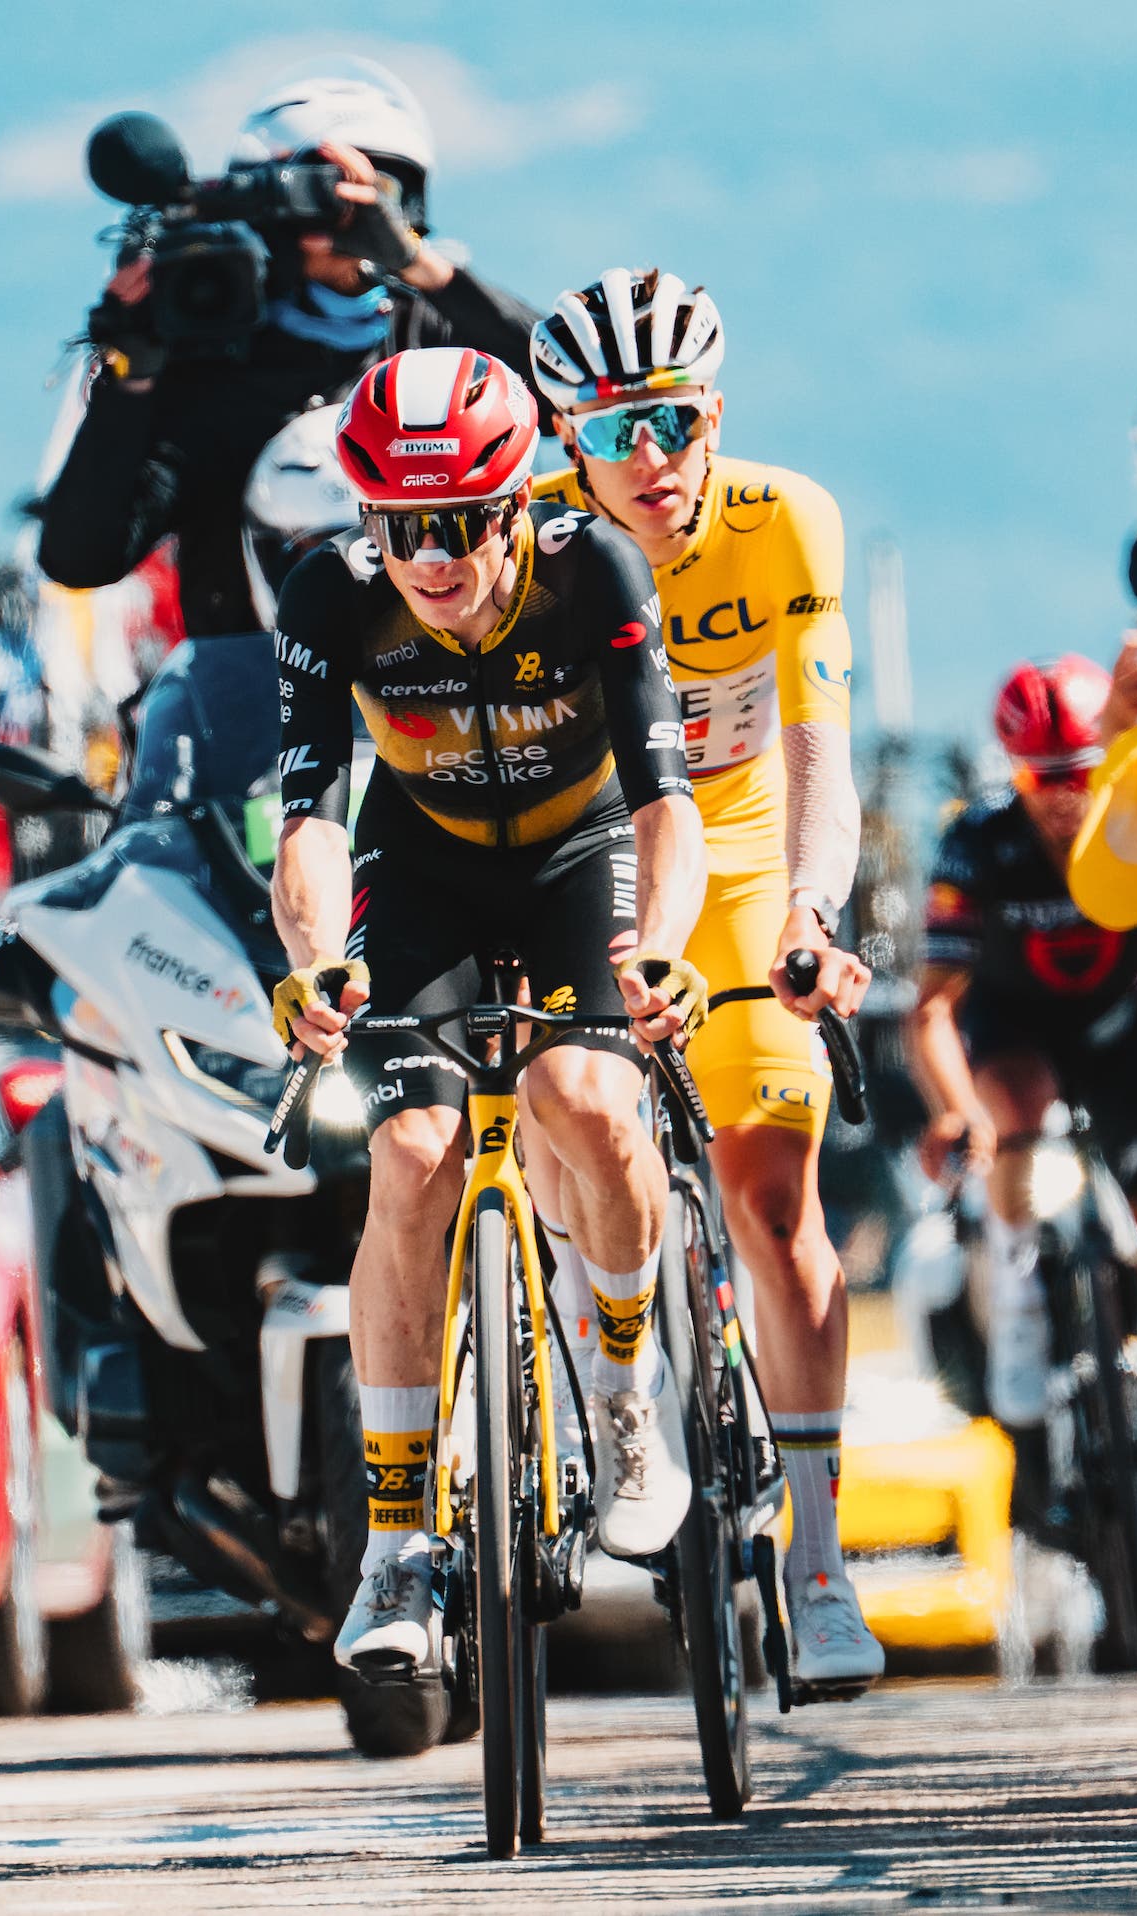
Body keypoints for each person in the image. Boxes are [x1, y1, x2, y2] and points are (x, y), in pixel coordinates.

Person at [266, 345, 706, 1681]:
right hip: (425, 863)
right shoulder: (331, 594)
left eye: (459, 524)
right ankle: (397, 1542)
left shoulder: (594, 571)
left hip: (582, 849)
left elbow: (664, 800)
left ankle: (624, 1389)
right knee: (409, 1157)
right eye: (401, 527)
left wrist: (664, 950)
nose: (431, 558)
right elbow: (308, 815)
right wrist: (314, 961)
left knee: (583, 1096)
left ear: (516, 504)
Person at [525, 268, 884, 1688]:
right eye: (616, 431)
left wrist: (810, 913)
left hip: (739, 856)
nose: (652, 457)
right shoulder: (531, 540)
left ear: (715, 417)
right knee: (563, 1117)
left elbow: (819, 741)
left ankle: (820, 1561)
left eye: (674, 420)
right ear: (568, 440)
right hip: (589, 856)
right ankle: (607, 1379)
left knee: (772, 1200)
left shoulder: (785, 518)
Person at [908, 657, 1137, 1599]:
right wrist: (955, 1109)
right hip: (1013, 1039)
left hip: (1119, 1042)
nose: (1063, 797)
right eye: (1040, 777)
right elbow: (932, 1009)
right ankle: (1019, 1297)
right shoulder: (978, 845)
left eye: (1079, 773)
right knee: (1013, 1114)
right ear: (1012, 771)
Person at [39, 62, 543, 638]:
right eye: (314, 191)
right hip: (254, 680)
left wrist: (419, 265)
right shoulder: (212, 366)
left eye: (373, 191)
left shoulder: (435, 338)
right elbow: (80, 559)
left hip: (436, 671)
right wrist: (130, 378)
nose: (343, 211)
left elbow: (567, 392)